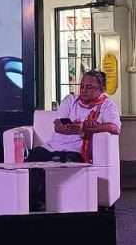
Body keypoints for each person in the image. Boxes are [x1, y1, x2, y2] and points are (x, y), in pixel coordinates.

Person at [26, 70, 121, 211]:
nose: (83, 90)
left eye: (89, 87)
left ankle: (51, 203)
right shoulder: (70, 100)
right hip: (52, 146)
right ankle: (31, 204)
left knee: (60, 162)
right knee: (30, 158)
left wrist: (87, 128)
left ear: (100, 90)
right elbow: (58, 126)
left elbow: (114, 128)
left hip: (76, 151)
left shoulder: (108, 106)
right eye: (82, 86)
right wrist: (70, 128)